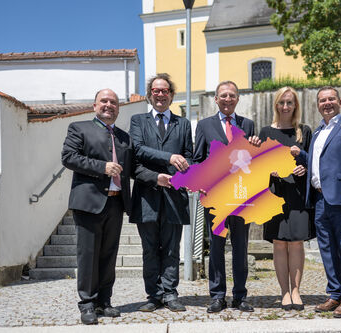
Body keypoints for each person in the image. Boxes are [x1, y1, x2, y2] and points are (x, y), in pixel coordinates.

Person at [62, 89, 159, 325]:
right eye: (104, 101)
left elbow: (134, 168)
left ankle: (104, 302)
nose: (109, 105)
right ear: (94, 105)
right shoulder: (79, 128)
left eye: (113, 102)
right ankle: (87, 304)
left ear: (118, 108)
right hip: (89, 203)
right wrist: (102, 167)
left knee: (108, 256)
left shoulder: (125, 138)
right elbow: (68, 157)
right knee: (88, 257)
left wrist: (157, 177)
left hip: (116, 203)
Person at [297, 86, 341, 318]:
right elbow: (318, 163)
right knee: (327, 250)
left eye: (330, 99)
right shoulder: (318, 133)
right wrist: (300, 155)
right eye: (322, 100)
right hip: (319, 198)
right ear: (318, 105)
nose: (326, 103)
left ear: (339, 101)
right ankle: (334, 294)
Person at [129, 74, 193, 312]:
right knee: (150, 249)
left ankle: (170, 293)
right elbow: (137, 150)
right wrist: (168, 159)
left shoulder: (183, 124)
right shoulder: (138, 121)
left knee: (171, 248)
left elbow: (190, 155)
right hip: (147, 196)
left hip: (175, 195)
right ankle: (153, 295)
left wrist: (183, 173)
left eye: (165, 90)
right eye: (155, 90)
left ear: (171, 95)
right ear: (149, 94)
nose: (160, 94)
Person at [194, 81, 256, 313]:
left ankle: (240, 296)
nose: (227, 99)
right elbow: (197, 157)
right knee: (217, 246)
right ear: (216, 99)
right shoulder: (204, 125)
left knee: (241, 247)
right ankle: (217, 296)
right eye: (223, 95)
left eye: (232, 95)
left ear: (237, 99)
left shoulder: (247, 125)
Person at [258, 87, 315, 311]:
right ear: (276, 104)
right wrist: (267, 170)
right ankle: (284, 292)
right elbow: (257, 164)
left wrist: (304, 168)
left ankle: (296, 291)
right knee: (279, 244)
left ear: (295, 105)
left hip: (298, 193)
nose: (285, 107)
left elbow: (313, 162)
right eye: (281, 102)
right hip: (275, 194)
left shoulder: (304, 131)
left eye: (289, 103)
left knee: (297, 243)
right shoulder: (265, 132)